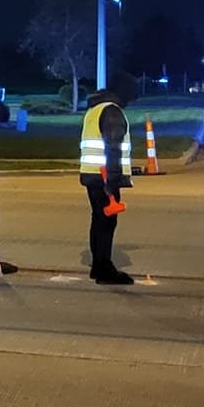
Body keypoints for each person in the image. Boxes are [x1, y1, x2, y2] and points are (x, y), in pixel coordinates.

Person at [79, 89, 134, 284]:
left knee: (99, 220)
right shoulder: (111, 111)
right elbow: (113, 147)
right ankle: (104, 270)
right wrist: (112, 181)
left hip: (91, 173)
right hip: (104, 176)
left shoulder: (93, 111)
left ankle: (98, 265)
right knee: (106, 223)